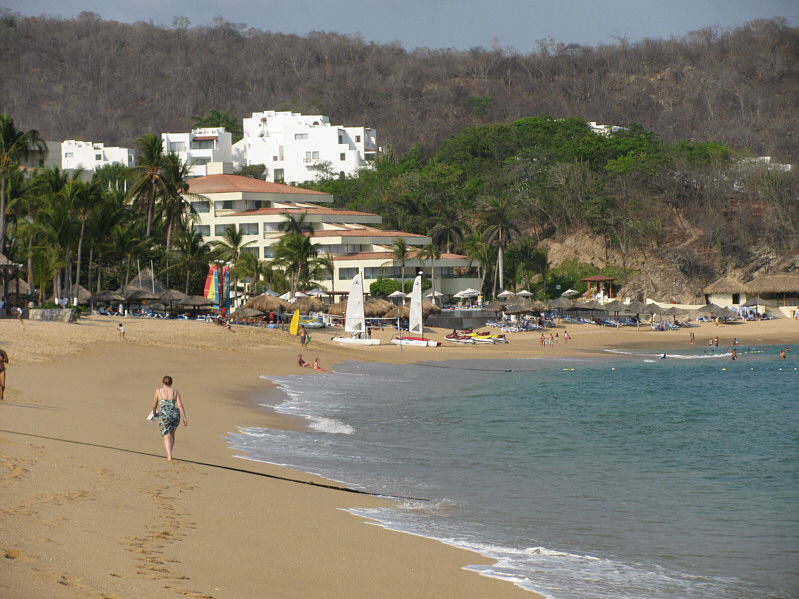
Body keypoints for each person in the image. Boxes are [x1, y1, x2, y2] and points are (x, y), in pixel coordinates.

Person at [151, 375, 188, 461]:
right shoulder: (175, 392)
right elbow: (180, 405)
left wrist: (154, 412)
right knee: (172, 434)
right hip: (175, 415)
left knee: (166, 435)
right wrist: (184, 418)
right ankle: (170, 452)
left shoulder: (158, 391)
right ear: (171, 383)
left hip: (164, 415)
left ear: (163, 383)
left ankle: (169, 455)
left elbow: (154, 405)